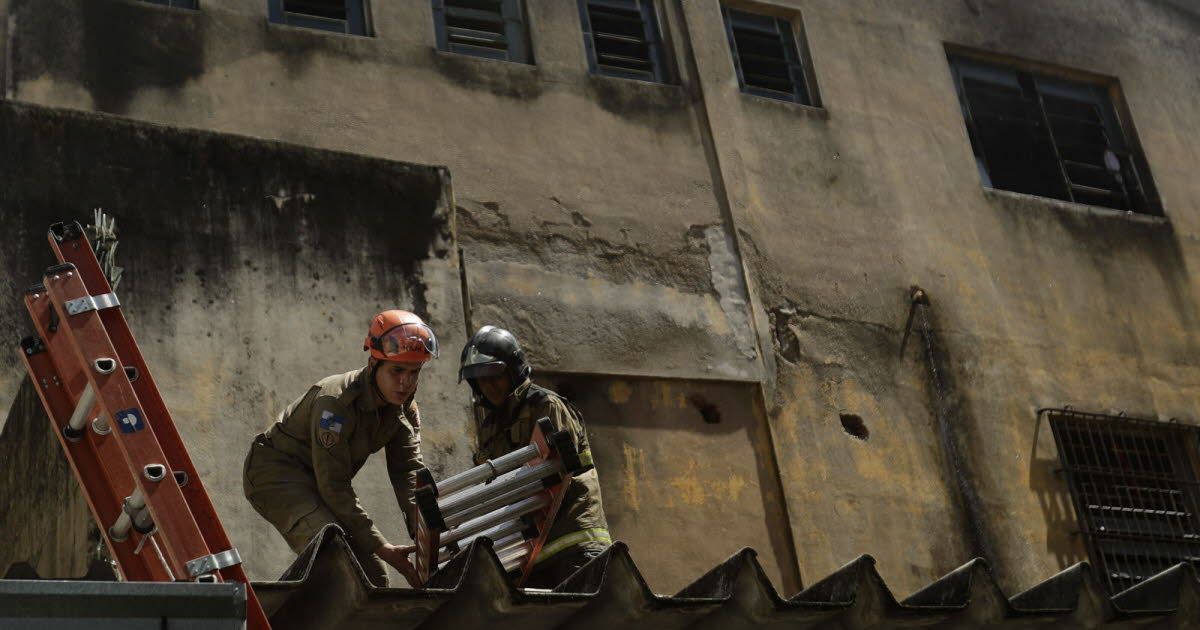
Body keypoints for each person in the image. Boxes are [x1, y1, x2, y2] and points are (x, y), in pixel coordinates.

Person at [243, 309, 437, 587]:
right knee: (343, 568)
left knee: (374, 578)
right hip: (275, 477)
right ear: (374, 364)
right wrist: (381, 546)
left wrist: (426, 532)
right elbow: (333, 485)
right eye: (397, 370)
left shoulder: (404, 407)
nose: (405, 382)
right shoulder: (335, 404)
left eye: (414, 372)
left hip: (320, 484)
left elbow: (408, 471)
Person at [459, 326, 611, 588]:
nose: (488, 385)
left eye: (494, 375)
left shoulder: (546, 405)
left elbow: (557, 473)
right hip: (528, 553)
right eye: (480, 379)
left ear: (513, 370)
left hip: (573, 542)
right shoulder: (490, 427)